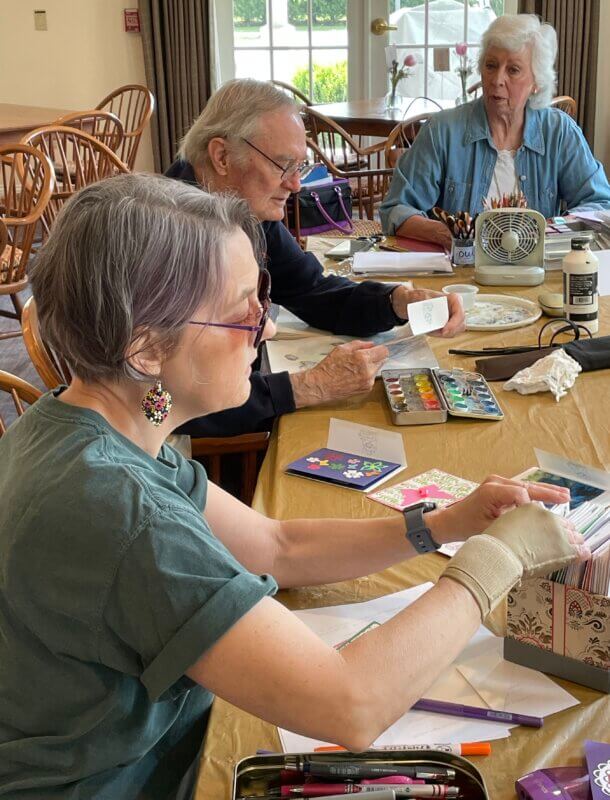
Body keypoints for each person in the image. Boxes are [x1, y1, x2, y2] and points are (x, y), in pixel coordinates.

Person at [0, 174, 588, 799]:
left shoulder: (97, 419)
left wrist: (444, 524)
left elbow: (278, 546)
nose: (268, 331)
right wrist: (498, 558)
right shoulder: (118, 509)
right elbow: (352, 706)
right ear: (146, 350)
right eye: (240, 313)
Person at [165, 79, 465, 438]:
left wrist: (396, 300)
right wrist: (310, 386)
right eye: (282, 165)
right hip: (204, 459)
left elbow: (311, 291)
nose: (295, 185)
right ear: (222, 156)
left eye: (299, 167)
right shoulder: (169, 239)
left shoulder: (241, 208)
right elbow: (167, 401)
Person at [380, 14, 610, 249]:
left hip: (538, 273)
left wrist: (551, 229)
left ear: (536, 82)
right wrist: (450, 235)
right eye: (491, 65)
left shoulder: (559, 132)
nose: (497, 79)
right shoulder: (442, 131)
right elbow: (397, 210)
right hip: (461, 276)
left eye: (513, 70)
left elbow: (599, 204)